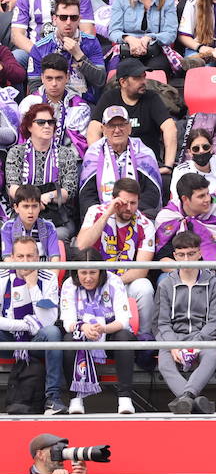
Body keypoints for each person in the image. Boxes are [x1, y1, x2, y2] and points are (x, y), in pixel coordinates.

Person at [72, 175, 155, 340]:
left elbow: (142, 269)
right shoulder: (96, 212)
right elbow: (81, 246)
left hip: (124, 281)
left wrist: (114, 283)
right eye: (124, 203)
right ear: (114, 199)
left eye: (133, 203)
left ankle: (143, 338)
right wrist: (108, 213)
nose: (129, 208)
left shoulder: (145, 224)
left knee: (145, 287)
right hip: (93, 280)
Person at [58, 245, 138, 415]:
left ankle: (125, 398)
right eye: (83, 273)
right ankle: (75, 398)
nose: (87, 278)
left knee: (124, 336)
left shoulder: (114, 281)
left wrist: (103, 329)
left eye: (92, 273)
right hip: (83, 335)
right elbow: (68, 322)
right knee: (68, 339)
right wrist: (84, 327)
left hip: (109, 334)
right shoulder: (68, 285)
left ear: (101, 272)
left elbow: (123, 321)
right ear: (76, 272)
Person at [154, 230, 216, 414]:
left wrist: (197, 344)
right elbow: (161, 324)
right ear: (175, 256)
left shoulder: (213, 283)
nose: (187, 259)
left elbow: (215, 322)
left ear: (200, 253)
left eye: (191, 254)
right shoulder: (165, 285)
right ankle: (193, 400)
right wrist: (174, 346)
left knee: (212, 356)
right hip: (175, 338)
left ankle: (186, 399)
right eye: (181, 255)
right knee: (164, 362)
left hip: (203, 338)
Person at [0, 234, 64, 414]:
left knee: (52, 333)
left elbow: (48, 321)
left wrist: (32, 286)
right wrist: (25, 325)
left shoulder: (48, 278)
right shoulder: (2, 275)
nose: (25, 261)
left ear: (37, 258)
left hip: (37, 340)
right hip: (9, 340)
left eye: (30, 256)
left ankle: (53, 398)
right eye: (20, 256)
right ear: (11, 258)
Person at [7, 102, 79, 238]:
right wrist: (34, 202)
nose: (47, 126)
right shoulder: (16, 152)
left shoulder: (66, 154)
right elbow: (12, 187)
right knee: (16, 235)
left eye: (50, 122)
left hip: (56, 214)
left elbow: (69, 191)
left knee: (60, 234)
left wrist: (48, 197)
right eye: (41, 122)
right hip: (24, 210)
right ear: (29, 126)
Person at [78, 105, 163, 218]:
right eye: (112, 125)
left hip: (137, 215)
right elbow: (87, 195)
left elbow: (152, 193)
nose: (117, 130)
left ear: (130, 128)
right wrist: (103, 216)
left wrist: (130, 212)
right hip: (102, 218)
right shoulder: (93, 154)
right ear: (103, 129)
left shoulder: (144, 153)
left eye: (122, 125)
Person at [108, 0, 178, 76]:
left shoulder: (168, 2)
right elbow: (113, 31)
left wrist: (149, 38)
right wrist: (130, 39)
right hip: (128, 49)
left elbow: (170, 34)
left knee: (156, 71)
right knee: (128, 70)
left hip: (156, 49)